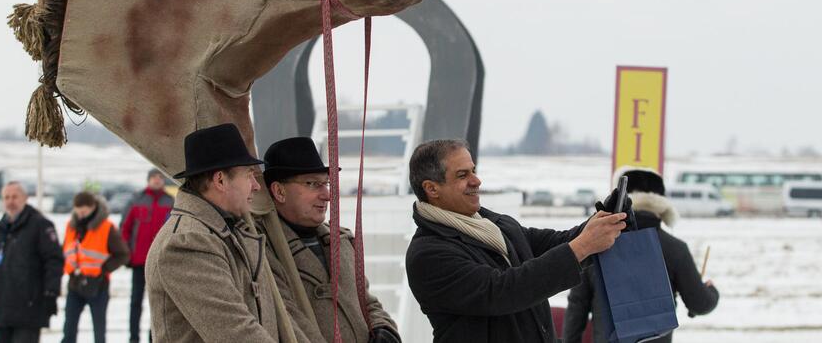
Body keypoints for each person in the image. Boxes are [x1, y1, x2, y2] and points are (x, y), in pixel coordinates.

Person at [405, 139, 628, 343]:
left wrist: (603, 221)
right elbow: (503, 291)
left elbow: (555, 243)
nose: (476, 180)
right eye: (462, 175)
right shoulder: (428, 254)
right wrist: (584, 244)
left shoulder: (493, 224)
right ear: (431, 188)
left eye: (473, 171)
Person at [145, 123, 314, 342]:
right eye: (249, 175)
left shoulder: (229, 231)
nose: (256, 185)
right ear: (221, 180)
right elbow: (235, 332)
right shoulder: (187, 243)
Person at [256, 137, 400, 343]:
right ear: (279, 191)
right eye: (312, 184)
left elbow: (366, 302)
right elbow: (287, 322)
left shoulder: (343, 241)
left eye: (326, 183)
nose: (327, 195)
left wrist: (384, 330)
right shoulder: (262, 251)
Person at [563, 166, 720, 343]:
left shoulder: (598, 246)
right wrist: (711, 290)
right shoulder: (675, 248)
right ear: (661, 202)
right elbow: (699, 304)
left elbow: (577, 307)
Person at [0, 181, 63, 343]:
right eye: (6, 197)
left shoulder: (40, 226)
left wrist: (51, 292)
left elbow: (54, 261)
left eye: (15, 197)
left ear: (25, 198)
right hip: (1, 310)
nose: (10, 201)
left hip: (29, 308)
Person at [61, 191, 129, 343]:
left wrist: (103, 270)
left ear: (93, 207)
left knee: (99, 332)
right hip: (74, 283)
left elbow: (123, 254)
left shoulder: (106, 227)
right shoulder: (71, 226)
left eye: (84, 212)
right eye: (78, 212)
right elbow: (65, 249)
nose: (81, 215)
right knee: (68, 331)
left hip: (98, 285)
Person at [120, 168, 174, 343]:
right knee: (136, 302)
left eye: (160, 177)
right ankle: (133, 338)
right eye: (154, 177)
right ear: (148, 180)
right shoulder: (137, 200)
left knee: (158, 304)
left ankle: (154, 338)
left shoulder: (170, 201)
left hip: (161, 263)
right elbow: (125, 229)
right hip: (138, 262)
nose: (157, 180)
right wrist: (127, 254)